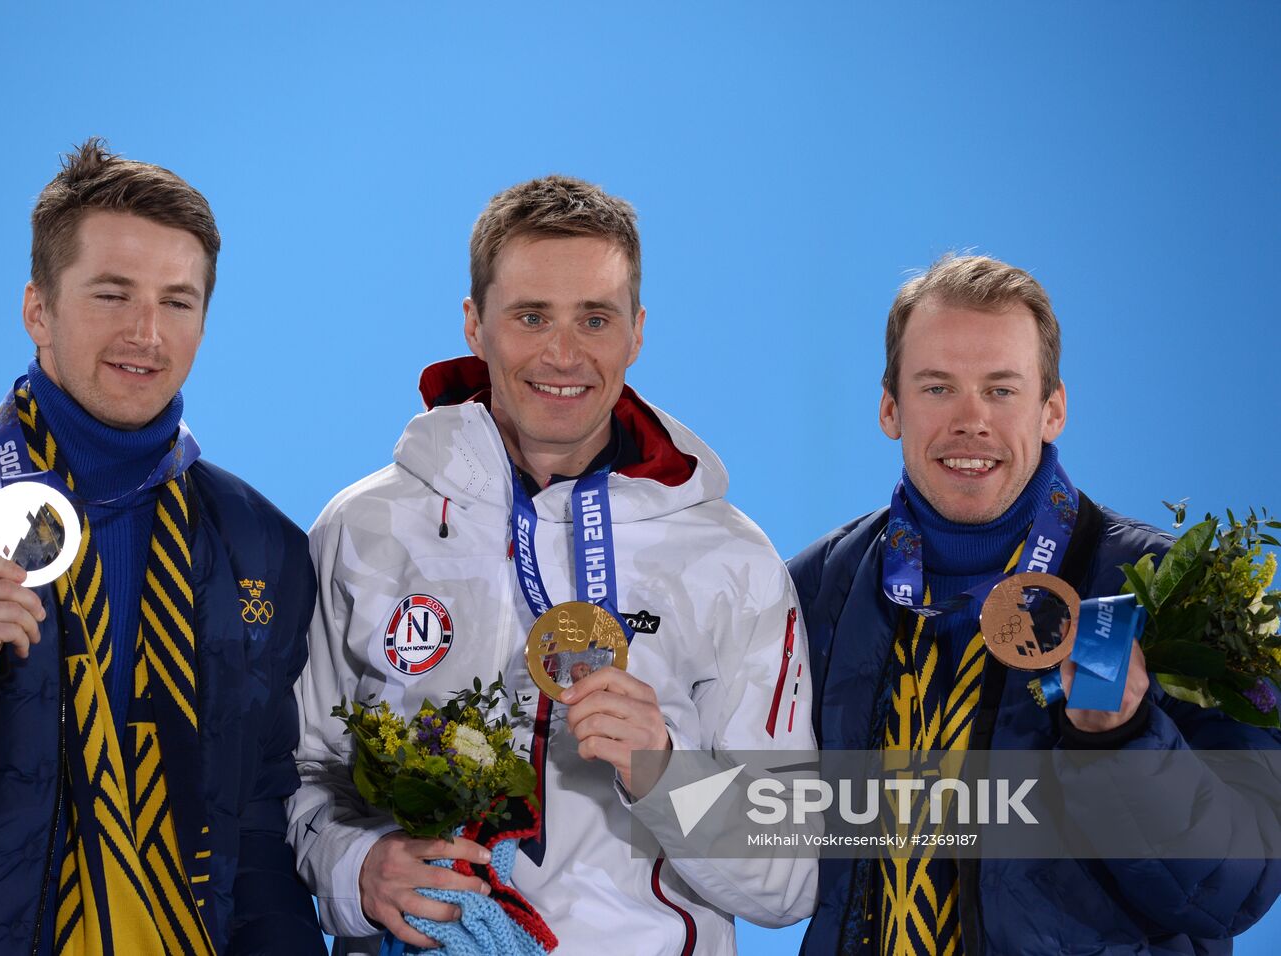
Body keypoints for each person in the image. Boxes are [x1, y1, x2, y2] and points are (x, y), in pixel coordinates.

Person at [290, 175, 816, 955]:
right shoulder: (366, 528)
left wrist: (664, 772)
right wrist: (358, 869)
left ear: (636, 332)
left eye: (594, 319)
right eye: (530, 316)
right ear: (475, 325)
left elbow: (793, 875)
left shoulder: (729, 559)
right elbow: (296, 783)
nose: (563, 354)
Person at [0, 138, 321, 954]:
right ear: (38, 309)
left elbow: (260, 823)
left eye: (178, 302)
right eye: (112, 295)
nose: (146, 333)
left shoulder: (264, 545)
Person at [788, 254, 1281, 955]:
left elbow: (1238, 887)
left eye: (1001, 390)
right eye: (937, 388)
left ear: (1052, 409)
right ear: (890, 408)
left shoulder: (1172, 587)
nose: (971, 421)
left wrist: (1120, 742)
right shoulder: (815, 591)